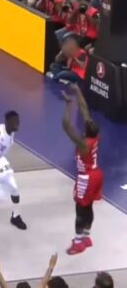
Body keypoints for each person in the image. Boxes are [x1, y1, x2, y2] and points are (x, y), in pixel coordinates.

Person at [61, 84, 103, 255]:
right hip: (97, 174)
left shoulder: (83, 144)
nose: (88, 120)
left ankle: (78, 242)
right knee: (89, 206)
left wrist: (67, 105)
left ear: (86, 130)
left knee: (80, 209)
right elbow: (84, 109)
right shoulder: (94, 136)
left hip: (86, 177)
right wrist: (78, 91)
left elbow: (66, 126)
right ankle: (87, 237)